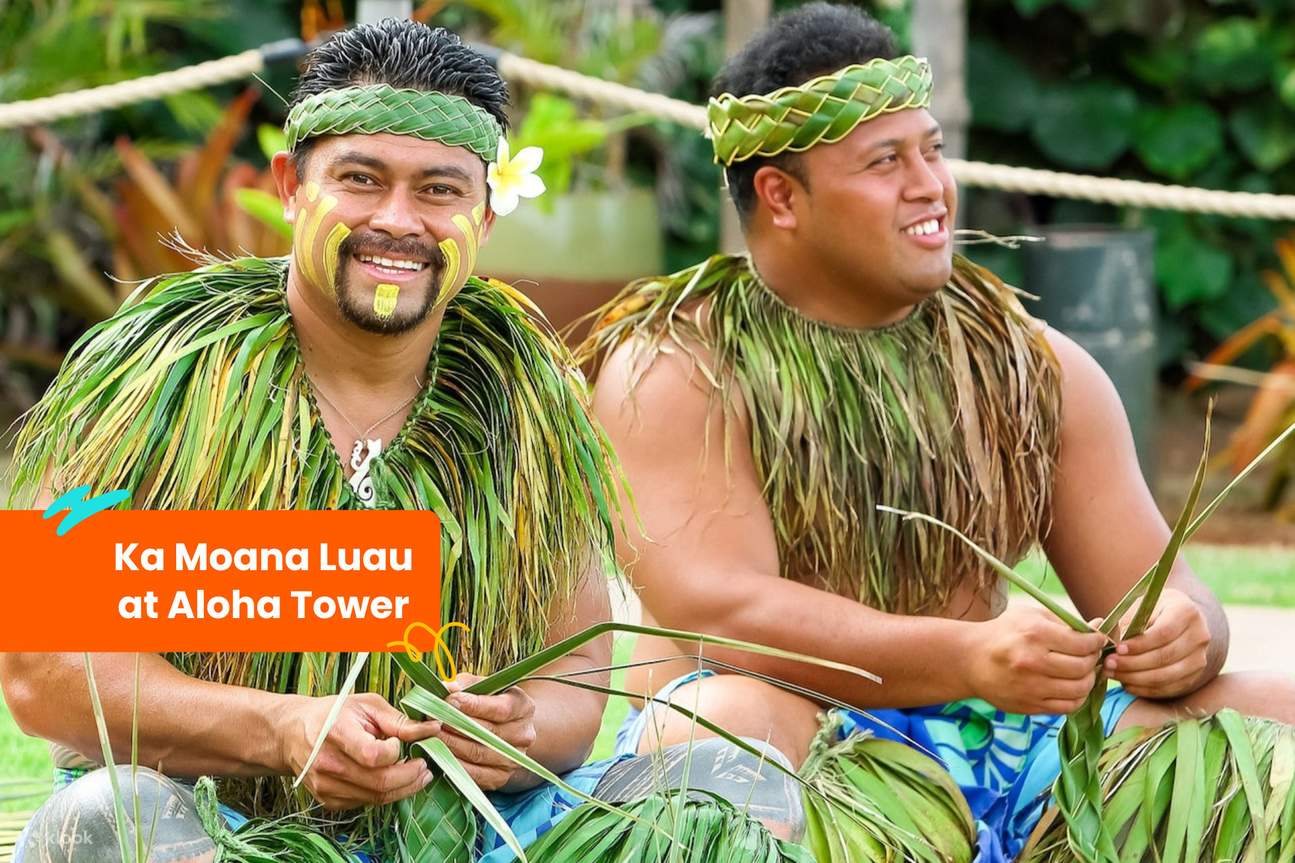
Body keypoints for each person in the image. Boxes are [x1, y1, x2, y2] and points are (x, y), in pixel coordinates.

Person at [1, 19, 804, 863]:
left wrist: (517, 728)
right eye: (360, 179)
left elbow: (575, 695)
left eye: (438, 190)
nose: (397, 221)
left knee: (729, 782)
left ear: (485, 214)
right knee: (106, 817)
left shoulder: (524, 403)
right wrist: (283, 728)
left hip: (476, 839)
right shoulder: (161, 376)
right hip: (218, 829)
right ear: (290, 185)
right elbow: (43, 669)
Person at [581, 3, 1295, 860]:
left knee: (1279, 702)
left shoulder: (1030, 365)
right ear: (780, 195)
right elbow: (719, 616)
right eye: (886, 162)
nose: (931, 187)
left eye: (932, 152)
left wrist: (1186, 631)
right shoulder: (678, 367)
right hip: (805, 739)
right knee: (723, 721)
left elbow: (1157, 585)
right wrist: (965, 655)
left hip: (1008, 747)